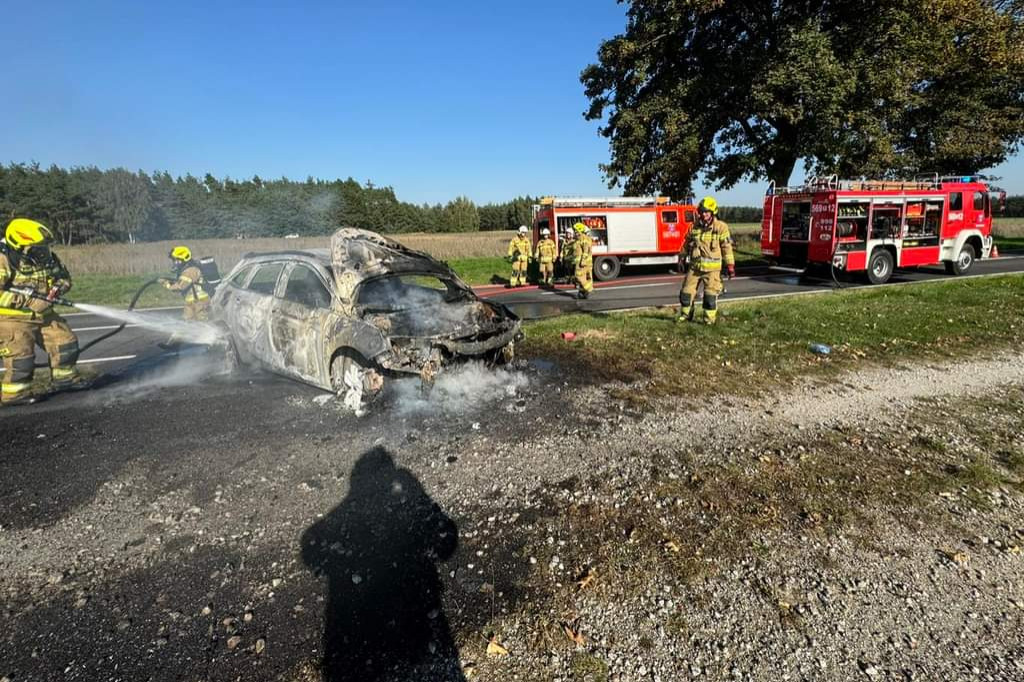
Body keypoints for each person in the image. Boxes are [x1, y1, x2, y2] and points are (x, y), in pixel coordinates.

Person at [0, 218, 82, 406]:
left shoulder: (45, 256)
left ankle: (65, 380)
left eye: (43, 247)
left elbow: (63, 277)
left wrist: (59, 288)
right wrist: (28, 301)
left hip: (44, 313)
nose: (43, 252)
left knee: (65, 342)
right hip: (10, 318)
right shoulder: (3, 259)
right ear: (19, 246)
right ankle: (14, 394)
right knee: (21, 357)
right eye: (36, 248)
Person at [678, 196, 734, 324]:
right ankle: (686, 316)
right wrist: (681, 259)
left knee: (709, 297)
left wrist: (730, 266)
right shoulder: (694, 227)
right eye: (702, 211)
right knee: (686, 293)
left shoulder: (721, 227)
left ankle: (708, 321)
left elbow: (727, 247)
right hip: (695, 268)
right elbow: (686, 244)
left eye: (706, 212)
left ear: (713, 212)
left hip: (712, 270)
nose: (703, 214)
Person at [159, 246, 210, 348]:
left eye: (176, 260)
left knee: (204, 324)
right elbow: (182, 282)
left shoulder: (191, 270)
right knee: (185, 323)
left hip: (200, 302)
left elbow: (180, 287)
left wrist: (166, 284)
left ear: (183, 258)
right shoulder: (186, 269)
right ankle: (173, 343)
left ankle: (212, 342)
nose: (175, 263)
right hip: (191, 301)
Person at [572, 222, 594, 299]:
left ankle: (588, 289)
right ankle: (583, 293)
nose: (574, 232)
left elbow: (586, 250)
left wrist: (583, 260)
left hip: (583, 263)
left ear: (580, 230)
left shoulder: (584, 238)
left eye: (576, 230)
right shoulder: (577, 240)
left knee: (578, 276)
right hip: (578, 263)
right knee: (581, 278)